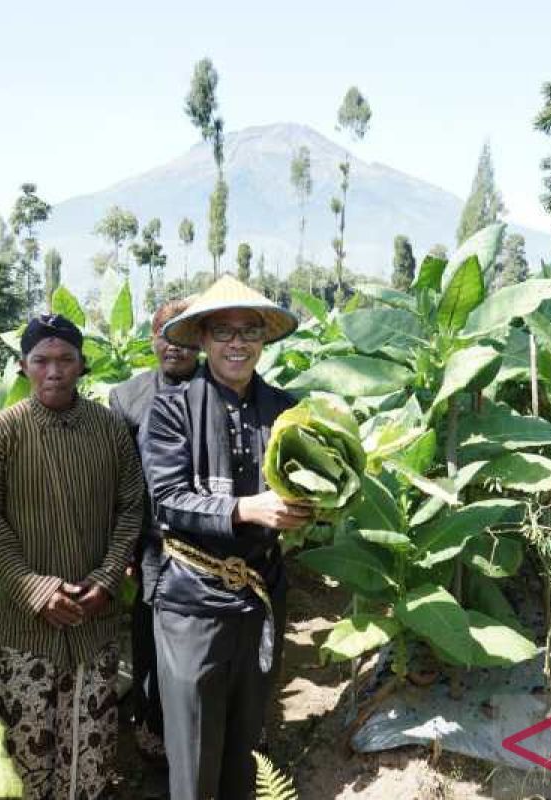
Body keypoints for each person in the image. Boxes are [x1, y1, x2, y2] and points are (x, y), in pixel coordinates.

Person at [142, 275, 313, 800]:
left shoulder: (288, 411)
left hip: (260, 596)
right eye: (223, 331)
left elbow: (311, 480)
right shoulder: (172, 409)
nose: (237, 343)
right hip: (192, 603)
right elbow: (168, 498)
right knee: (194, 755)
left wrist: (312, 507)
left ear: (264, 339)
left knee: (247, 745)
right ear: (202, 339)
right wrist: (243, 508)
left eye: (249, 331)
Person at [0, 313, 145, 800]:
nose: (54, 371)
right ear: (23, 366)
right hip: (27, 628)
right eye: (41, 360)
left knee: (91, 745)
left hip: (96, 618)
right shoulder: (0, 435)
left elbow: (131, 506)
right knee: (25, 743)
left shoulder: (109, 430)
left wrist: (106, 579)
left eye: (66, 359)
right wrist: (36, 589)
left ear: (82, 365)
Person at [108, 299, 199, 766]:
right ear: (152, 338)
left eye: (184, 336)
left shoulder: (220, 388)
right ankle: (151, 726)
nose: (174, 346)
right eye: (165, 334)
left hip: (212, 544)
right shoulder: (128, 398)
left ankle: (212, 726)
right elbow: (123, 482)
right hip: (153, 545)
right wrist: (123, 546)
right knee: (150, 638)